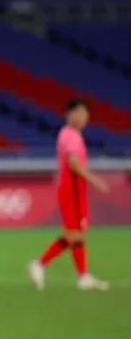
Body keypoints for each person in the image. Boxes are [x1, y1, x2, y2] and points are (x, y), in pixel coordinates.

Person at [28, 98, 111, 292]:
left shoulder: (71, 135)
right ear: (70, 114)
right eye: (80, 113)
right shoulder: (70, 135)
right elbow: (73, 163)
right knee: (74, 233)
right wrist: (95, 180)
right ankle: (40, 264)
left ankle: (83, 276)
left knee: (78, 233)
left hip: (74, 189)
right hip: (71, 189)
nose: (84, 118)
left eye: (86, 114)